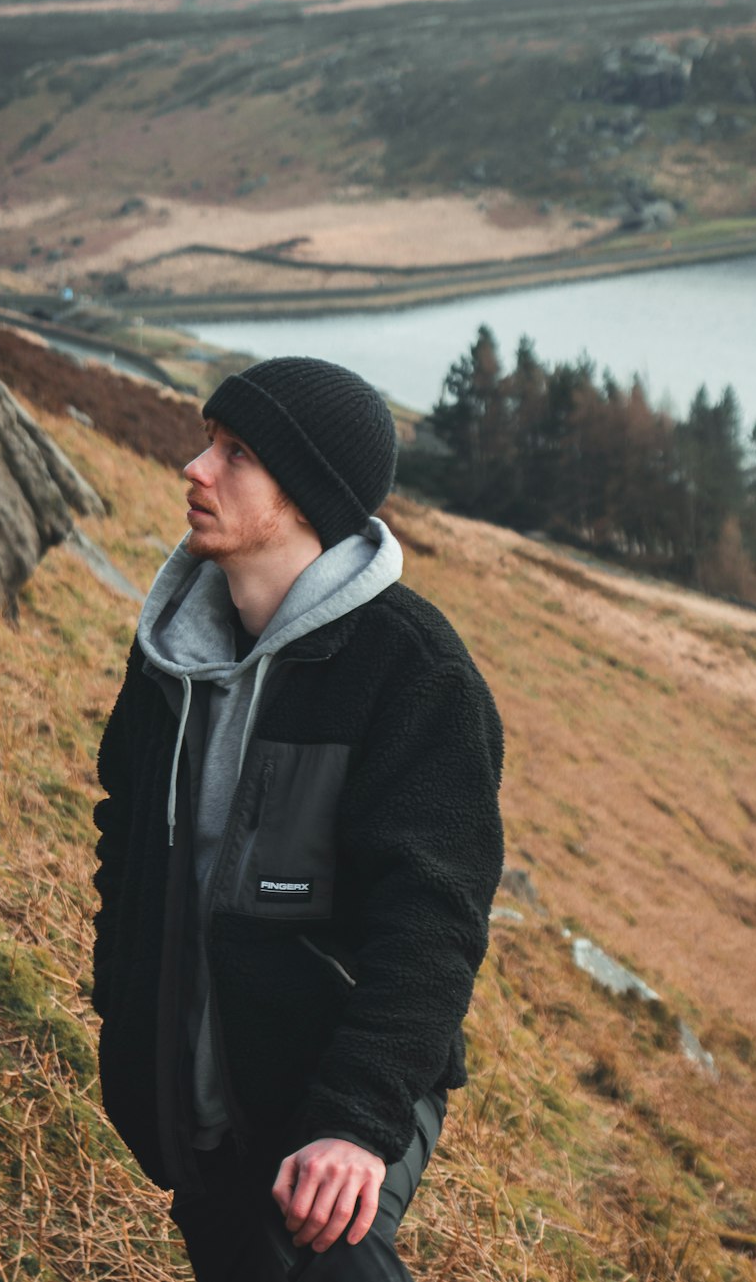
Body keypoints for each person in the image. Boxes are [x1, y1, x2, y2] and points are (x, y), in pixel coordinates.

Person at [92, 356, 505, 1280]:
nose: (196, 469)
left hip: (338, 1102)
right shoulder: (169, 653)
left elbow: (432, 925)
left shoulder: (415, 675)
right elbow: (125, 828)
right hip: (193, 1095)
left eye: (236, 453)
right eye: (208, 443)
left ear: (307, 492)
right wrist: (123, 1002)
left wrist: (355, 1123)